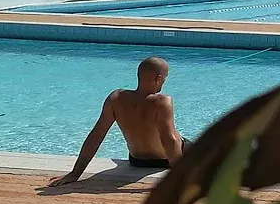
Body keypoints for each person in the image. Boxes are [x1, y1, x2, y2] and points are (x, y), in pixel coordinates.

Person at [47, 57, 189, 186]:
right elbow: (168, 140)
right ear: (159, 78)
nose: (164, 82)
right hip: (165, 161)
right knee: (198, 145)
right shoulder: (162, 101)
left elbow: (96, 135)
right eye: (165, 78)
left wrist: (75, 173)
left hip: (137, 160)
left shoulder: (116, 98)